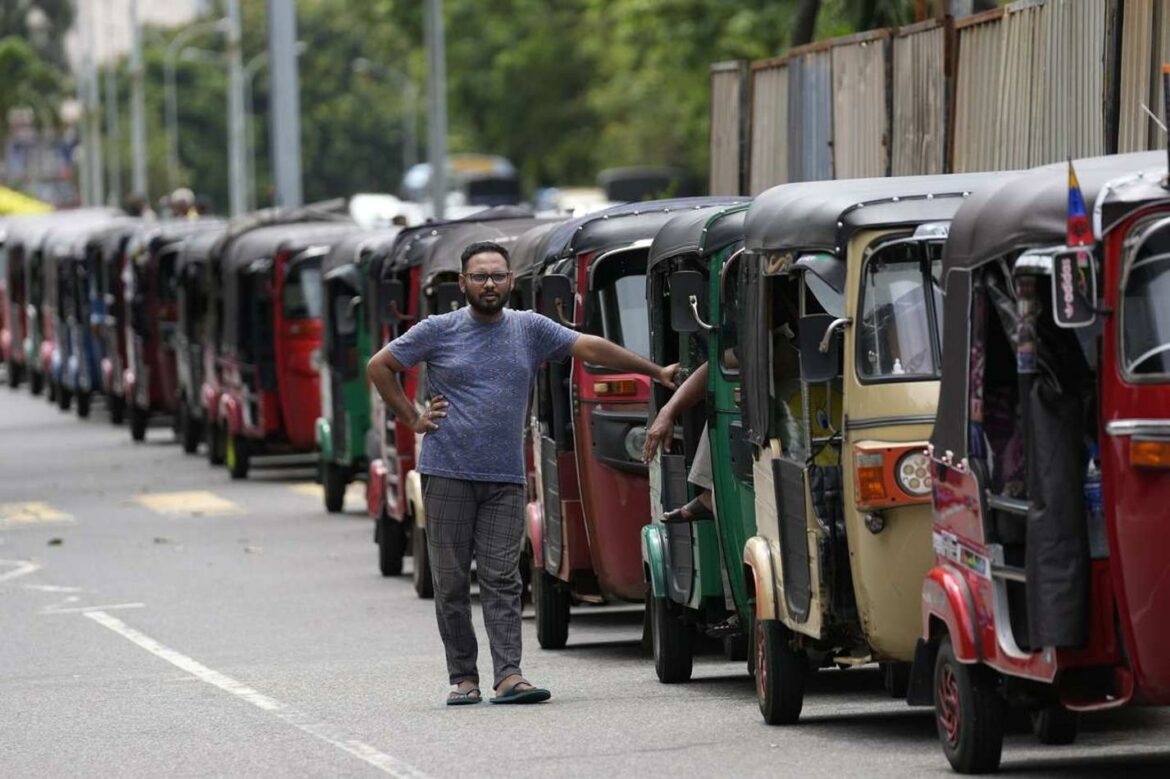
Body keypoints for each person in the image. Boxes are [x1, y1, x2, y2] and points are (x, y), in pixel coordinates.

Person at [367, 240, 679, 706]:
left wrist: (654, 371)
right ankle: (463, 678)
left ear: (511, 281)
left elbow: (587, 346)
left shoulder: (528, 328)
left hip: (505, 479)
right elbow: (380, 366)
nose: (489, 284)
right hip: (447, 473)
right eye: (479, 276)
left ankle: (509, 675)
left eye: (497, 276)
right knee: (451, 582)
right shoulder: (438, 330)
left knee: (503, 578)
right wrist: (413, 417)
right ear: (463, 283)